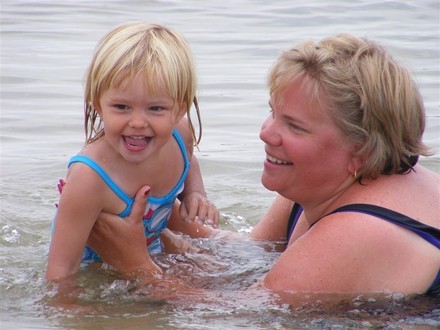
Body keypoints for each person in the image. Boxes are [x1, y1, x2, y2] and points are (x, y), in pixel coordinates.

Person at [72, 34, 440, 296]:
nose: (266, 133)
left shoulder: (357, 233)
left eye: (293, 126)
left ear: (361, 151)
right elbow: (253, 254)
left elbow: (237, 316)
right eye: (272, 113)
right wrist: (168, 227)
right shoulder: (323, 184)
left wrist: (135, 264)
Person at [46, 23, 218, 281]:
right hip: (94, 272)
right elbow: (59, 275)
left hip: (146, 254)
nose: (138, 122)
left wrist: (195, 192)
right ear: (98, 104)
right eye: (122, 107)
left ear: (179, 110)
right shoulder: (90, 179)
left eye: (156, 109)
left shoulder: (180, 137)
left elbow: (189, 159)